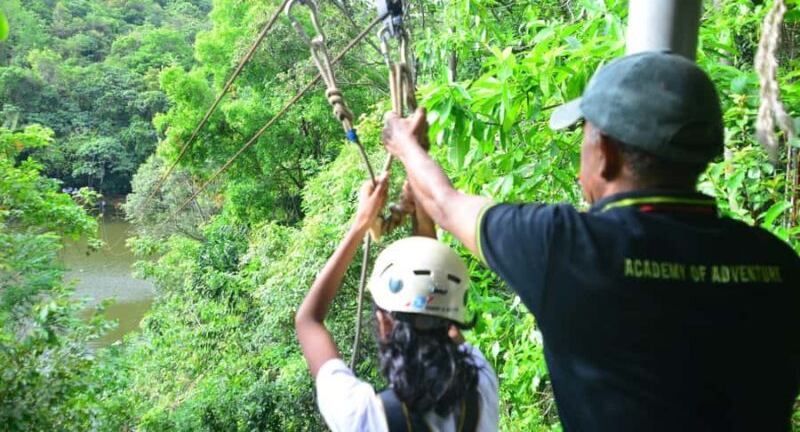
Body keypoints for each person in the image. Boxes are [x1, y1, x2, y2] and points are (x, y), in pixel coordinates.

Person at [382, 51, 800, 431]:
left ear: (606, 153)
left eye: (584, 135)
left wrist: (404, 146)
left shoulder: (567, 248)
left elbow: (444, 203)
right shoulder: (779, 264)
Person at [295, 173, 499, 431]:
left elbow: (307, 321)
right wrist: (422, 214)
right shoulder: (481, 384)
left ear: (385, 324)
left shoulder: (364, 415)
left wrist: (361, 223)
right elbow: (434, 297)